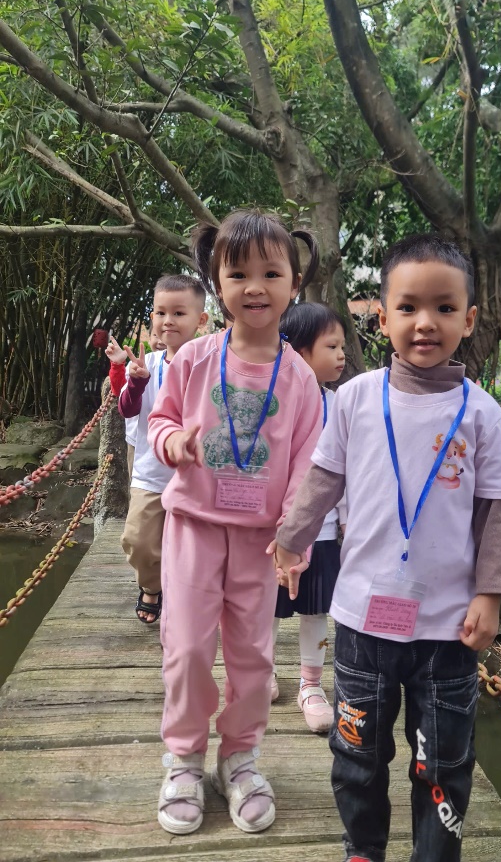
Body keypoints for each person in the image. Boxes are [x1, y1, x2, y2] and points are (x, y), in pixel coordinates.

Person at [271, 234, 501, 862]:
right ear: (381, 318)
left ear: (469, 319)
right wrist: (290, 540)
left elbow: (494, 513)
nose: (425, 322)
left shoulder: (482, 415)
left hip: (449, 630)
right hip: (362, 621)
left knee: (443, 764)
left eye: (444, 307)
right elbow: (323, 479)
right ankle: (363, 850)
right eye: (408, 307)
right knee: (357, 755)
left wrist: (490, 596)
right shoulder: (356, 398)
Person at [147, 209, 323, 837]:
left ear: (294, 283)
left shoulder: (301, 379)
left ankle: (240, 757)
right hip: (193, 528)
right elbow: (161, 419)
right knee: (187, 649)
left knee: (253, 657)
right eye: (238, 273)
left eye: (271, 273)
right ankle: (184, 759)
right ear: (216, 282)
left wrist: (293, 541)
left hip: (260, 542)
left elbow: (307, 465)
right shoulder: (193, 358)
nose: (255, 287)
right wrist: (173, 443)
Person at [272, 302, 347, 733]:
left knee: (316, 609)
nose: (341, 355)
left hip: (322, 529)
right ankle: (261, 671)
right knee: (265, 606)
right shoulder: (271, 402)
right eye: (331, 346)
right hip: (273, 532)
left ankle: (311, 685)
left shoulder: (339, 404)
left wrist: (348, 520)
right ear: (300, 352)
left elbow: (348, 469)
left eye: (341, 346)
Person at [118, 276, 209, 623]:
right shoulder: (148, 365)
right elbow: (127, 409)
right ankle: (151, 585)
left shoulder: (211, 366)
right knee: (138, 540)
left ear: (201, 320)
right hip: (151, 474)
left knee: (197, 547)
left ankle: (185, 596)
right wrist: (136, 383)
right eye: (160, 312)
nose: (168, 320)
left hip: (197, 476)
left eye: (178, 313)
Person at [106, 328, 166, 479]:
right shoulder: (140, 363)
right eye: (156, 335)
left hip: (175, 441)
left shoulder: (189, 361)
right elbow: (120, 391)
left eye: (164, 335)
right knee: (138, 484)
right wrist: (118, 365)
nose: (160, 341)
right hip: (139, 441)